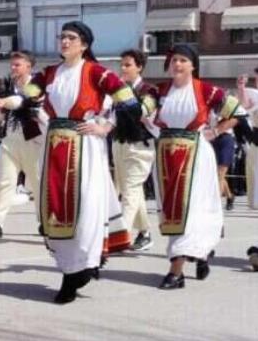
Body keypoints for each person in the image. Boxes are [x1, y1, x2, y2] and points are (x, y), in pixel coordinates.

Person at [26, 21, 139, 304]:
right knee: (57, 205)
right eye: (62, 37)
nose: (64, 42)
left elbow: (127, 101)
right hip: (55, 146)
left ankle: (79, 269)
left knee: (86, 205)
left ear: (85, 44)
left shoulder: (97, 73)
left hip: (85, 147)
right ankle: (71, 267)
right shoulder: (50, 73)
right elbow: (28, 95)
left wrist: (106, 126)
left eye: (71, 38)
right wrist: (10, 102)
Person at [152, 44, 239, 290]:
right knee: (172, 210)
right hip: (167, 156)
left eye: (182, 60)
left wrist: (216, 130)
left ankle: (175, 272)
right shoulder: (160, 91)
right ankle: (201, 253)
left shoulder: (206, 90)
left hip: (195, 156)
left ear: (193, 65)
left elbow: (237, 112)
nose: (177, 65)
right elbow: (140, 109)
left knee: (190, 209)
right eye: (174, 60)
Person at [0, 50, 44, 239]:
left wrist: (3, 102)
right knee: (4, 181)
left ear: (28, 66)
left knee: (38, 184)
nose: (13, 68)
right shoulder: (5, 85)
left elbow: (20, 101)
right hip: (10, 139)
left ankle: (46, 223)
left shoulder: (37, 85)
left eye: (18, 64)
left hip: (34, 140)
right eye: (12, 64)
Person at [111, 49, 159, 252]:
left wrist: (125, 96)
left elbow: (142, 112)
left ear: (139, 67)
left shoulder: (150, 91)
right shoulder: (116, 91)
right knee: (131, 189)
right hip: (119, 144)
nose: (123, 68)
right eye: (121, 64)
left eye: (128, 64)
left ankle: (120, 235)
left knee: (129, 191)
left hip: (140, 147)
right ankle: (145, 233)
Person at [237, 70, 258, 210]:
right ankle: (255, 202)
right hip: (256, 137)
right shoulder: (255, 94)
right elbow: (243, 107)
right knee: (253, 168)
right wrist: (242, 88)